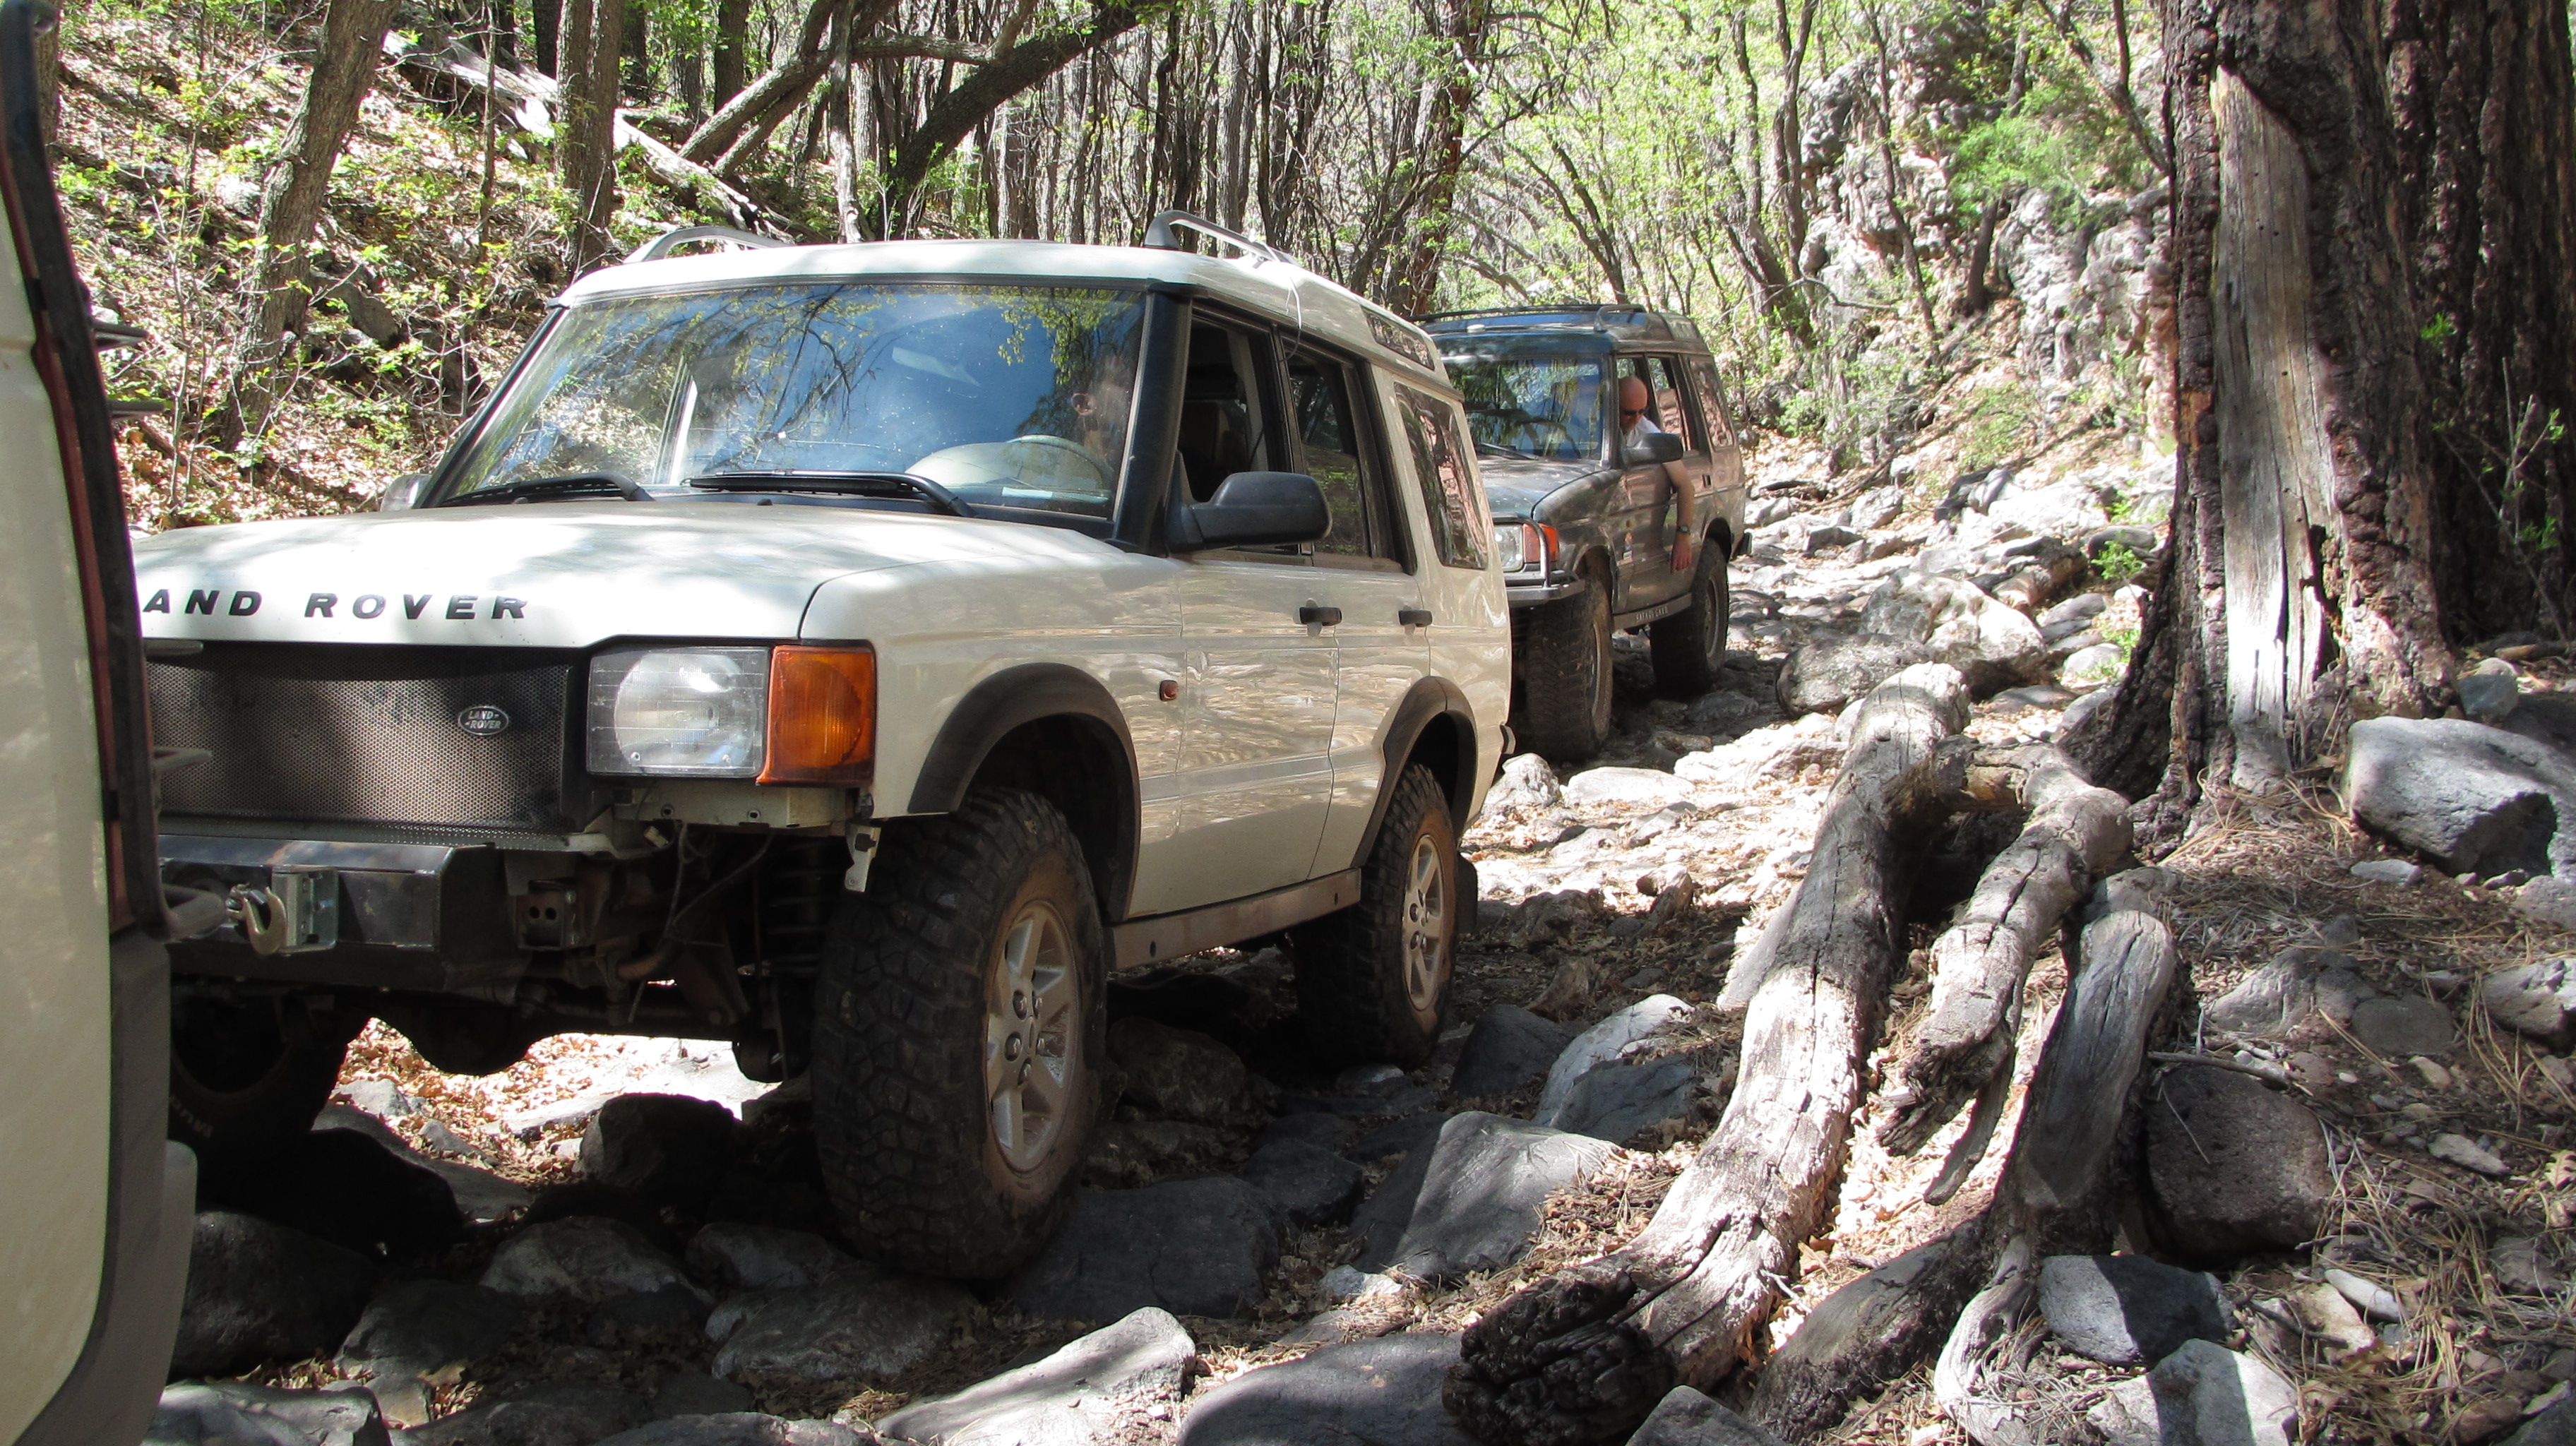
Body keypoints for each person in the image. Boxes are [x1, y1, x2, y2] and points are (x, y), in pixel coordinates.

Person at [1619, 374, 1697, 574]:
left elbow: (1685, 485)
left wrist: (1683, 535)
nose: (1636, 419)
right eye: (1629, 413)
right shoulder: (1591, 423)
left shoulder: (1647, 431)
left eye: (1642, 411)